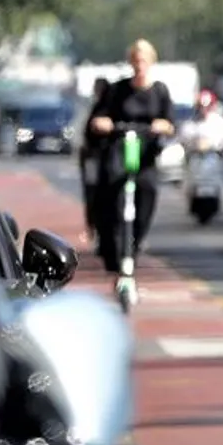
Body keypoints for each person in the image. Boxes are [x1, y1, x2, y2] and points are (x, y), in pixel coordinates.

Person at [88, 39, 175, 272]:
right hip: (119, 147)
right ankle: (113, 245)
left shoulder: (159, 91)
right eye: (136, 61)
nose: (139, 66)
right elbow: (97, 118)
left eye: (144, 61)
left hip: (145, 152)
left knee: (148, 190)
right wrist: (103, 123)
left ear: (151, 62)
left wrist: (162, 126)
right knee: (110, 190)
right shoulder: (117, 90)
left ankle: (135, 242)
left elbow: (170, 123)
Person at [79, 77, 111, 243]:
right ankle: (93, 227)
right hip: (92, 158)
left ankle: (95, 227)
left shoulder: (106, 108)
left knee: (94, 193)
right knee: (92, 193)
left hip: (99, 158)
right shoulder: (96, 107)